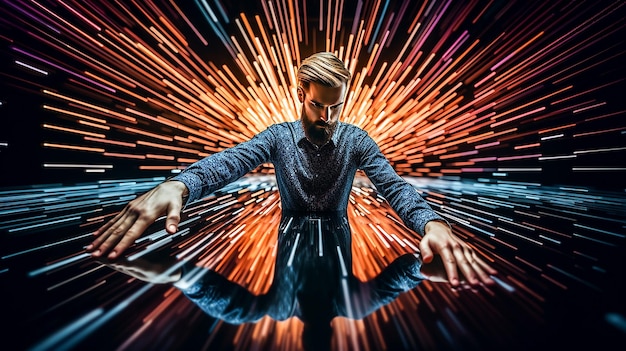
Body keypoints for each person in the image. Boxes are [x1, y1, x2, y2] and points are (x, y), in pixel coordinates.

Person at [87, 51, 496, 288]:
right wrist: (180, 185)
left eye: (337, 106)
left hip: (339, 246)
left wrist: (432, 224)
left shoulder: (357, 140)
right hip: (287, 246)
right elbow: (233, 160)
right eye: (319, 105)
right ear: (301, 95)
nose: (329, 116)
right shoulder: (277, 137)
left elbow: (394, 186)